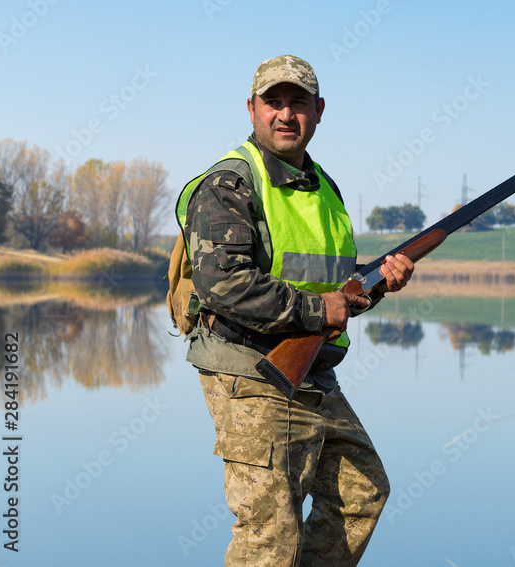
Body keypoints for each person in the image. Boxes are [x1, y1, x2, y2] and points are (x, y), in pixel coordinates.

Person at [176, 54, 413, 566]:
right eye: (273, 102)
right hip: (252, 373)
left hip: (313, 373)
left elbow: (335, 298)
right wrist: (317, 308)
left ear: (319, 110)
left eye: (298, 103)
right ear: (252, 108)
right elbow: (224, 285)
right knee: (269, 534)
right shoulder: (229, 184)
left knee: (361, 493)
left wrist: (378, 285)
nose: (285, 115)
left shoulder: (325, 188)